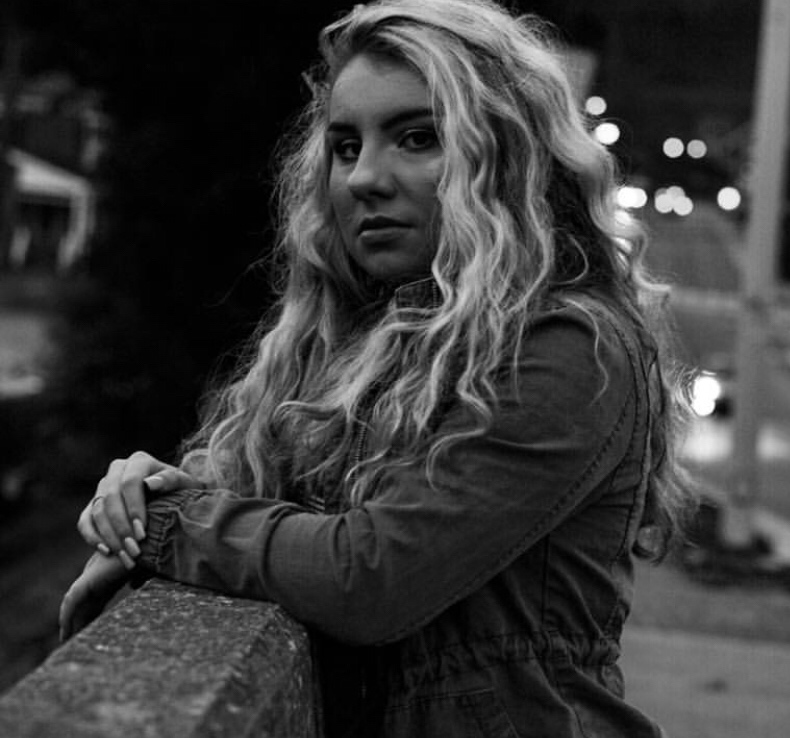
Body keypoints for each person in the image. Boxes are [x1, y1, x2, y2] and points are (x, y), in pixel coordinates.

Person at [60, 0, 695, 734]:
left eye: (417, 137)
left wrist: (167, 526)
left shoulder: (571, 347)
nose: (364, 177)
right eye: (345, 146)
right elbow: (280, 525)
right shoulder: (366, 342)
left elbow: (368, 577)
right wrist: (148, 492)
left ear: (509, 154)